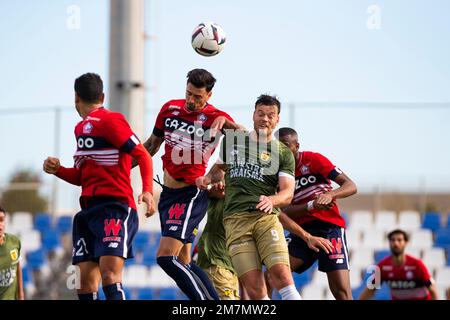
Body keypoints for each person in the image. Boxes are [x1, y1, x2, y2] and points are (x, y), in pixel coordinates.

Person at [43, 73, 155, 300]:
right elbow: (84, 178)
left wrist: (147, 191)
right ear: (102, 95)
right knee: (84, 285)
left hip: (115, 207)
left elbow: (142, 155)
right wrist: (59, 170)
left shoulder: (111, 120)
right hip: (87, 213)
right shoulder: (80, 129)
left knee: (110, 276)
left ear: (76, 98)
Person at [138, 68, 242, 300]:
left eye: (197, 96)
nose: (191, 100)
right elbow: (151, 146)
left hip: (190, 194)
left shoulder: (216, 116)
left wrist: (227, 123)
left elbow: (246, 137)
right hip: (167, 194)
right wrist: (124, 166)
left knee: (165, 258)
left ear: (209, 95)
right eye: (188, 93)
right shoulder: (169, 109)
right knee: (184, 261)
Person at [197, 94, 302, 300]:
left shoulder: (282, 153)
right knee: (255, 290)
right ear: (253, 115)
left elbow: (287, 193)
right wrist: (207, 178)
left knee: (281, 276)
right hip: (235, 222)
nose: (265, 119)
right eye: (261, 114)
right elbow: (220, 169)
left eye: (270, 115)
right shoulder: (234, 142)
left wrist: (271, 200)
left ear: (277, 119)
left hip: (265, 219)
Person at [272, 127, 357, 300]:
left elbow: (351, 185)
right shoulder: (275, 174)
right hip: (302, 233)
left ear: (297, 146)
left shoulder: (313, 159)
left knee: (341, 290)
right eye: (277, 146)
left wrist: (330, 194)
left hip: (329, 229)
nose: (281, 150)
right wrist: (311, 206)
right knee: (273, 273)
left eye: (286, 145)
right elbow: (282, 213)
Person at [359, 229, 439, 300]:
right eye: (393, 240)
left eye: (399, 240)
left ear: (406, 242)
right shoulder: (382, 266)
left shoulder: (417, 265)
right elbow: (369, 291)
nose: (396, 243)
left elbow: (433, 291)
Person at [195, 175, 240, 300]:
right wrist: (212, 189)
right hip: (216, 263)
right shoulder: (225, 188)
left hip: (229, 267)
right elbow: (208, 188)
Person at [0, 206, 25, 300]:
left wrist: (21, 295)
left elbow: (18, 269)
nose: (0, 225)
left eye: (1, 220)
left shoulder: (14, 241)